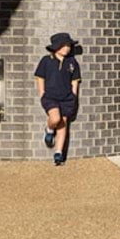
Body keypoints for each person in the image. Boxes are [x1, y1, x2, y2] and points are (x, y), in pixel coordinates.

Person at [34, 32, 81, 167]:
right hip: (50, 97)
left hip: (67, 98)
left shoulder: (72, 62)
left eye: (69, 46)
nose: (67, 48)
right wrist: (42, 93)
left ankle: (58, 153)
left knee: (63, 123)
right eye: (64, 45)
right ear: (56, 47)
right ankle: (49, 130)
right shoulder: (46, 60)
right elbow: (40, 77)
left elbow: (75, 81)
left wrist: (73, 96)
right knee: (55, 119)